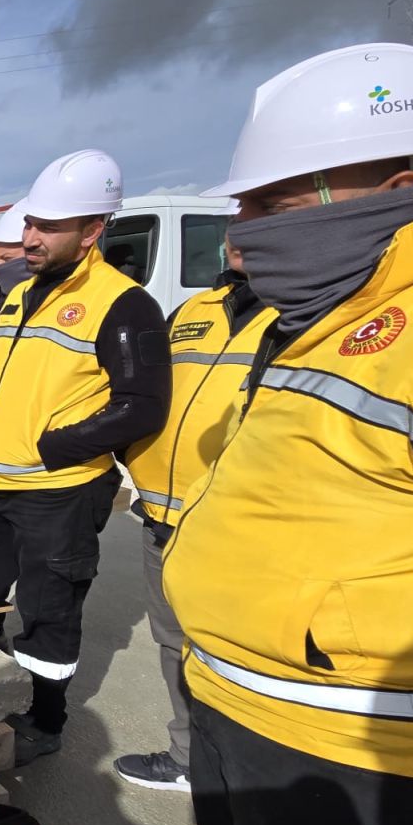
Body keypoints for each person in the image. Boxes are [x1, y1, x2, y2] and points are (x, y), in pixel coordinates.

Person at [163, 42, 413, 825]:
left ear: (399, 192)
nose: (240, 238)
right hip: (235, 710)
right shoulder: (314, 314)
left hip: (356, 757)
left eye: (270, 206)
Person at [0, 149, 171, 766]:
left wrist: (50, 448)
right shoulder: (20, 294)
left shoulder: (124, 303)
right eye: (30, 223)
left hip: (58, 492)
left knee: (48, 614)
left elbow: (141, 406)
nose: (30, 237)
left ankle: (41, 721)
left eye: (48, 226)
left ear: (92, 230)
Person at [113, 234, 275, 793]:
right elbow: (146, 391)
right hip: (165, 517)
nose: (239, 233)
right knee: (172, 642)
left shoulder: (309, 318)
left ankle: (246, 778)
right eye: (235, 218)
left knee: (245, 657)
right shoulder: (193, 310)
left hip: (241, 532)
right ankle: (187, 758)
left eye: (268, 210)